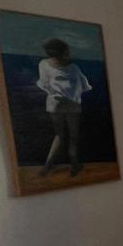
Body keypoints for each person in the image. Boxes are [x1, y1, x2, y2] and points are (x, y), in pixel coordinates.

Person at [36, 37, 91, 177]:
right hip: (72, 105)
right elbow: (83, 86)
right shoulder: (73, 68)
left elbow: (43, 83)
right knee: (73, 137)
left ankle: (47, 167)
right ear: (64, 52)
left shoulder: (43, 64)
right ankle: (74, 166)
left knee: (59, 135)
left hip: (54, 104)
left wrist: (55, 92)